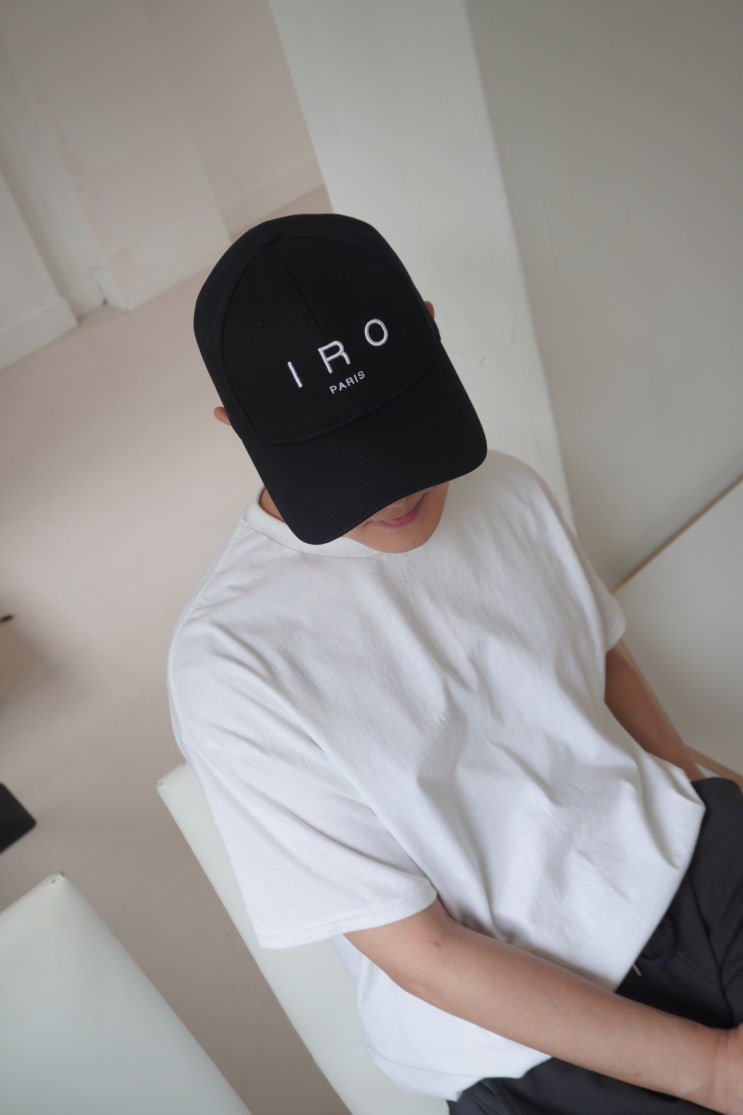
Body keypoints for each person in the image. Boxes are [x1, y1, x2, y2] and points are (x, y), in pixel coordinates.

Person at [167, 213, 743, 1114]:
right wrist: (709, 1070)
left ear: (430, 330)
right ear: (233, 425)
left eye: (402, 438)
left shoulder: (504, 488)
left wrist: (701, 801)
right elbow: (424, 952)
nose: (396, 491)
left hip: (686, 863)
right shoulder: (229, 665)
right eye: (344, 465)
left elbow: (603, 667)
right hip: (516, 1037)